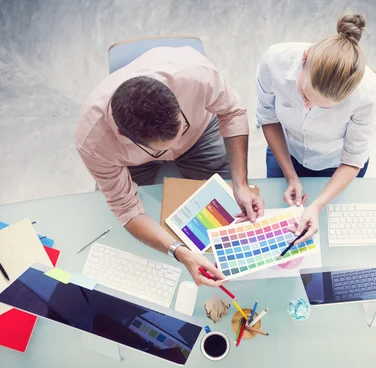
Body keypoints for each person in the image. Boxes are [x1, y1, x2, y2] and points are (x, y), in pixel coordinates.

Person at [75, 46, 264, 287]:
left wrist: (241, 184)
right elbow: (127, 210)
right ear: (123, 134)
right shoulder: (92, 142)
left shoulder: (196, 74)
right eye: (163, 147)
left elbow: (232, 111)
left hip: (199, 135)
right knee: (148, 232)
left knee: (230, 199)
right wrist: (179, 251)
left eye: (179, 129)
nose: (175, 148)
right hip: (133, 163)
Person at [256, 14, 376, 244]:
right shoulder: (274, 61)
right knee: (274, 223)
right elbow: (268, 117)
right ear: (304, 59)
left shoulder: (369, 95)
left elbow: (353, 158)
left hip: (337, 165)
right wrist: (290, 175)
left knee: (328, 235)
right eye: (305, 95)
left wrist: (317, 205)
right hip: (286, 151)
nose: (307, 107)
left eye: (323, 107)